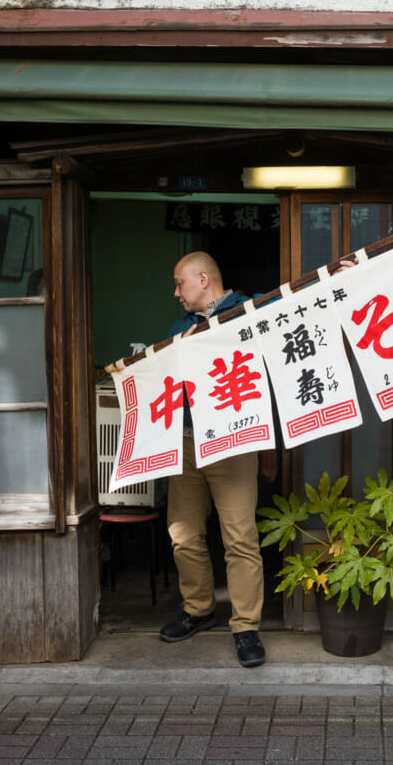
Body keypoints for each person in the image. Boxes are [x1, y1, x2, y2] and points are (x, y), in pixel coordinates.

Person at [159, 251, 268, 668]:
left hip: (233, 439)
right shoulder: (180, 327)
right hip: (186, 440)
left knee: (239, 536)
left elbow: (293, 304)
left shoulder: (250, 308)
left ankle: (246, 627)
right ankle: (199, 609)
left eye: (179, 284)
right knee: (183, 533)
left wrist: (340, 277)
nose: (176, 293)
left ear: (203, 279)